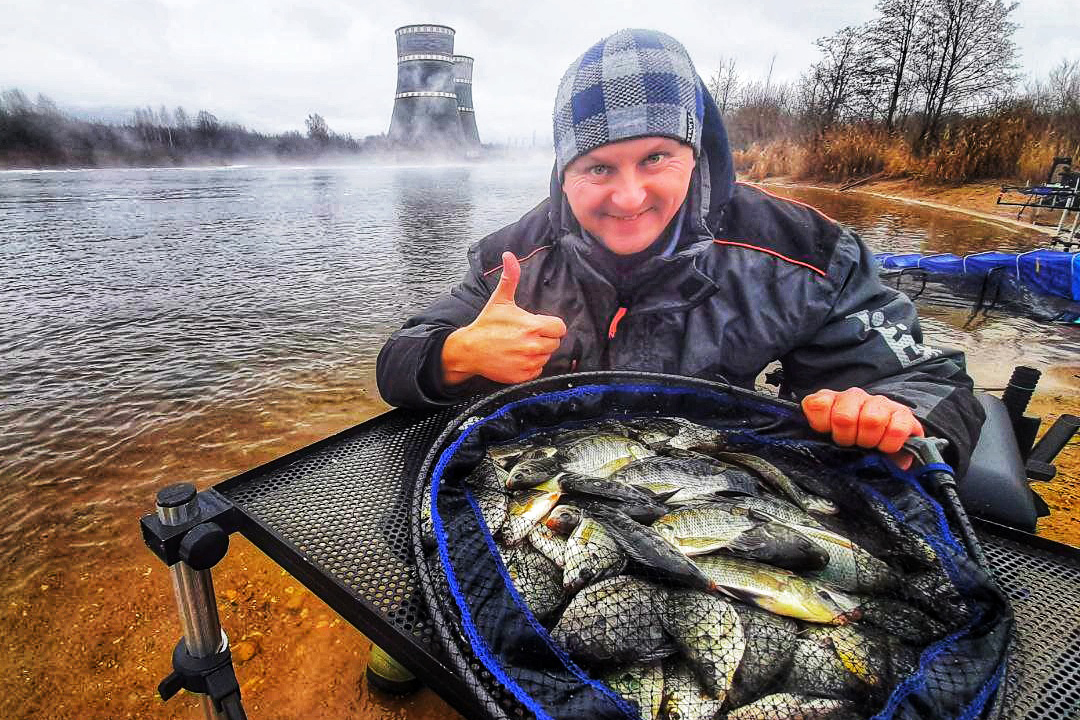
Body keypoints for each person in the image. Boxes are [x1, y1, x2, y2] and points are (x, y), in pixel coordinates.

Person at [376, 28, 984, 473]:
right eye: (597, 167)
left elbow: (934, 382)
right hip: (566, 485)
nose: (629, 195)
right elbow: (397, 360)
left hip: (716, 490)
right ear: (563, 172)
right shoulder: (513, 260)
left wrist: (892, 413)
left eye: (655, 158)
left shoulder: (806, 254)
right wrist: (455, 355)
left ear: (698, 155)